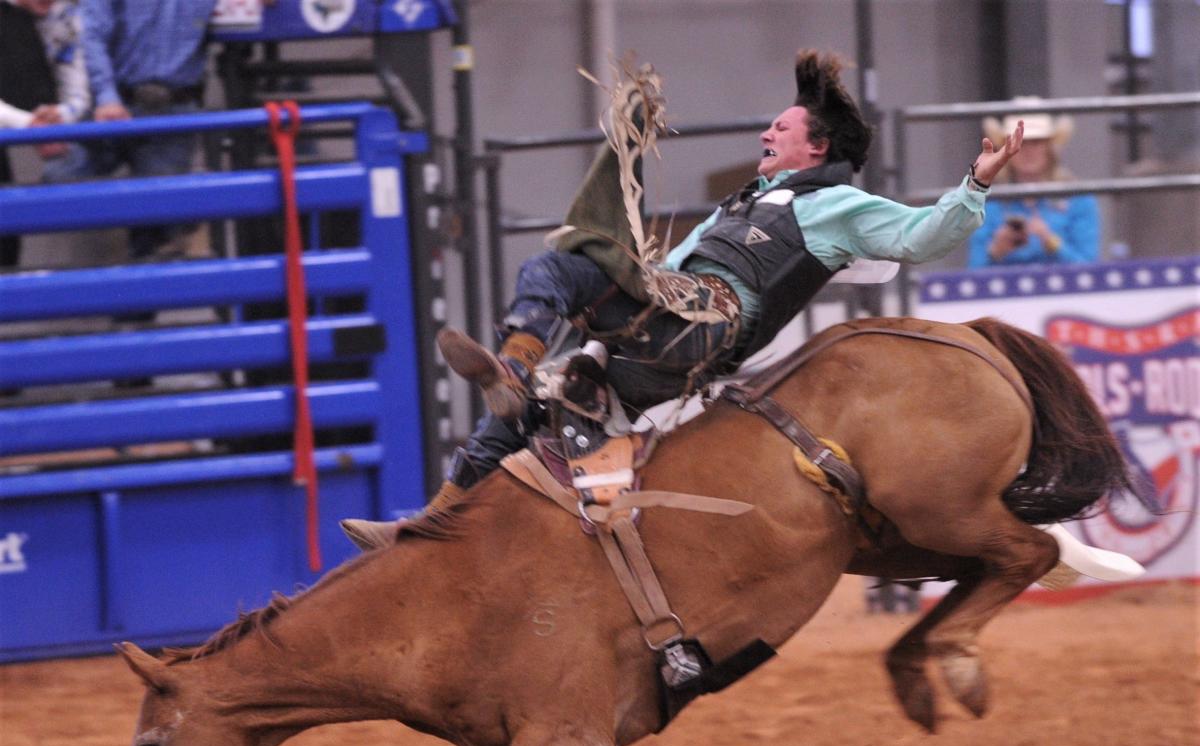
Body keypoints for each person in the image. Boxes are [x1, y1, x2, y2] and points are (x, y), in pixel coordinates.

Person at [343, 51, 1026, 550]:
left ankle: (515, 369)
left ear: (815, 147)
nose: (767, 132)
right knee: (530, 407)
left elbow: (921, 236)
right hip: (663, 331)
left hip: (706, 327)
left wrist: (975, 184)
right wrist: (598, 337)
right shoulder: (741, 205)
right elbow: (666, 270)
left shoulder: (840, 206)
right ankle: (429, 522)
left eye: (781, 128)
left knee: (561, 264)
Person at [41, 0, 216, 263]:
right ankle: (166, 220)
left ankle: (163, 228)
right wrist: (107, 98)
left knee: (154, 233)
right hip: (116, 105)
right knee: (57, 178)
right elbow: (94, 36)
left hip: (172, 113)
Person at [0, 0, 89, 266]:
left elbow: (77, 83)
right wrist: (29, 124)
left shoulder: (63, 16)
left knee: (5, 243)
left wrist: (61, 113)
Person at [967, 99, 1100, 268]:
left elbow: (1090, 269)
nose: (1028, 150)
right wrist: (996, 250)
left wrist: (1051, 242)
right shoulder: (986, 202)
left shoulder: (1078, 198)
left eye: (1036, 142)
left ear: (1049, 148)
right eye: (1019, 143)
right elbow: (973, 272)